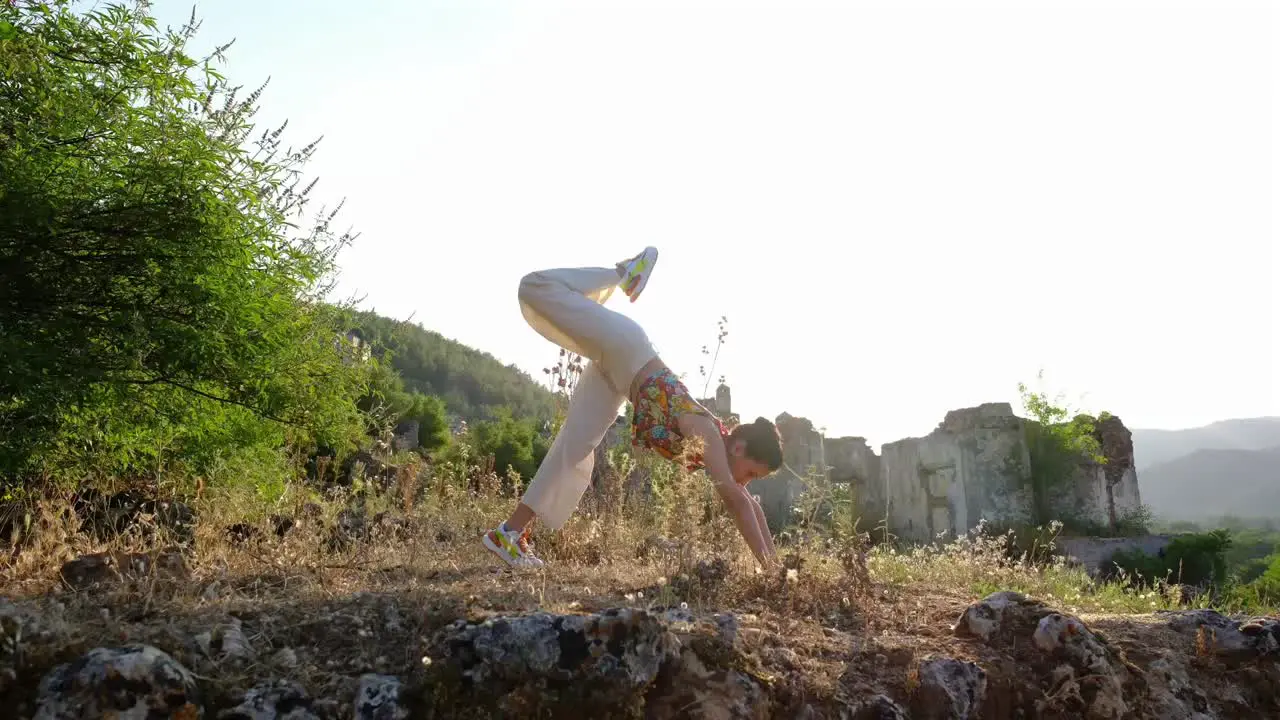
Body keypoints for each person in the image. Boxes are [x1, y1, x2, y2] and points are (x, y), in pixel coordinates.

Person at [481, 247, 785, 571]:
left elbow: (749, 503)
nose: (748, 482)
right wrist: (772, 572)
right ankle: (623, 272)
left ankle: (508, 534)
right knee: (534, 287)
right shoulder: (708, 432)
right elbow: (737, 501)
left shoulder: (716, 443)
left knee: (573, 447)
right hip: (627, 348)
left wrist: (778, 568)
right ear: (739, 447)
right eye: (751, 472)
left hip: (617, 380)